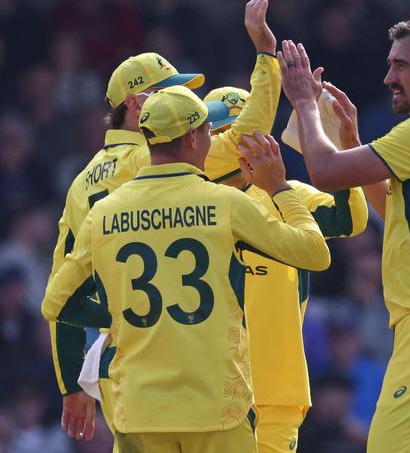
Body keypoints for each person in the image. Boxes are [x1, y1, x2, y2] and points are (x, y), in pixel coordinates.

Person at [45, 0, 279, 445]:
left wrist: (73, 384)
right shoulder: (160, 162)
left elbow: (62, 289)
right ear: (137, 105)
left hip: (119, 367)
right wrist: (266, 56)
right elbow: (250, 136)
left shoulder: (81, 183)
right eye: (177, 96)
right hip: (178, 363)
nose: (190, 111)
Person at [41, 85, 331, 453]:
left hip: (140, 410)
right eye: (210, 131)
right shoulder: (224, 203)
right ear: (194, 137)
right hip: (215, 409)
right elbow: (314, 253)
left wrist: (114, 314)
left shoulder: (104, 213)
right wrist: (279, 188)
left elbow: (55, 303)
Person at [277, 13, 410, 452]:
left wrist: (303, 102)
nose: (388, 77)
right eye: (390, 64)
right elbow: (393, 209)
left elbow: (323, 172)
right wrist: (353, 137)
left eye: (401, 66)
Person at [203, 86, 368, 453]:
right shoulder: (192, 205)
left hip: (275, 387)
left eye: (240, 137)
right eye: (220, 136)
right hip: (208, 388)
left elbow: (350, 218)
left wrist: (341, 148)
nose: (232, 148)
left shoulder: (287, 194)